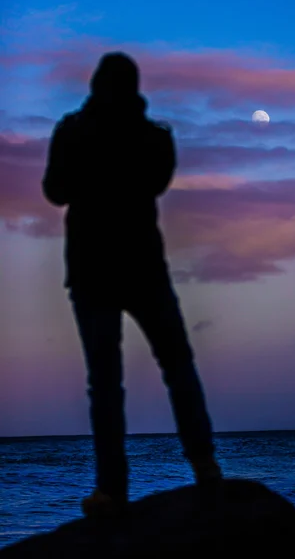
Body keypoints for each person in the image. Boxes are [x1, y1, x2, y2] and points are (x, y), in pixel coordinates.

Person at [42, 52, 222, 517]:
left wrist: (87, 159)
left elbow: (56, 190)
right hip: (137, 266)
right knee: (175, 366)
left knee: (108, 382)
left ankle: (113, 489)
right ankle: (204, 468)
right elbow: (154, 182)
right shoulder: (153, 136)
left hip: (97, 268)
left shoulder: (77, 131)